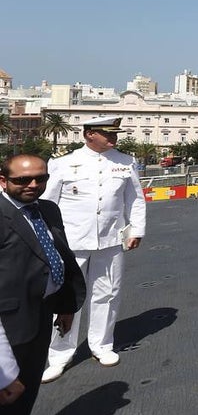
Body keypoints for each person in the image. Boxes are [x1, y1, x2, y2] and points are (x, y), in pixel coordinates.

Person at [42, 116, 146, 382]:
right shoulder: (63, 164)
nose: (114, 138)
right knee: (66, 298)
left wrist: (136, 230)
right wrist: (47, 240)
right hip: (71, 242)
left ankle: (102, 345)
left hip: (110, 240)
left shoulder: (125, 162)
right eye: (107, 134)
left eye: (115, 134)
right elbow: (48, 204)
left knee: (108, 293)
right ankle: (59, 354)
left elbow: (135, 199)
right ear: (89, 134)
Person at [0, 154, 85, 415]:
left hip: (40, 316)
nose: (33, 185)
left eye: (40, 178)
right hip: (7, 326)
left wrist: (64, 306)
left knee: (25, 391)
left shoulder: (48, 210)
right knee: (8, 390)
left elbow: (57, 258)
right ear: (3, 180)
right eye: (22, 180)